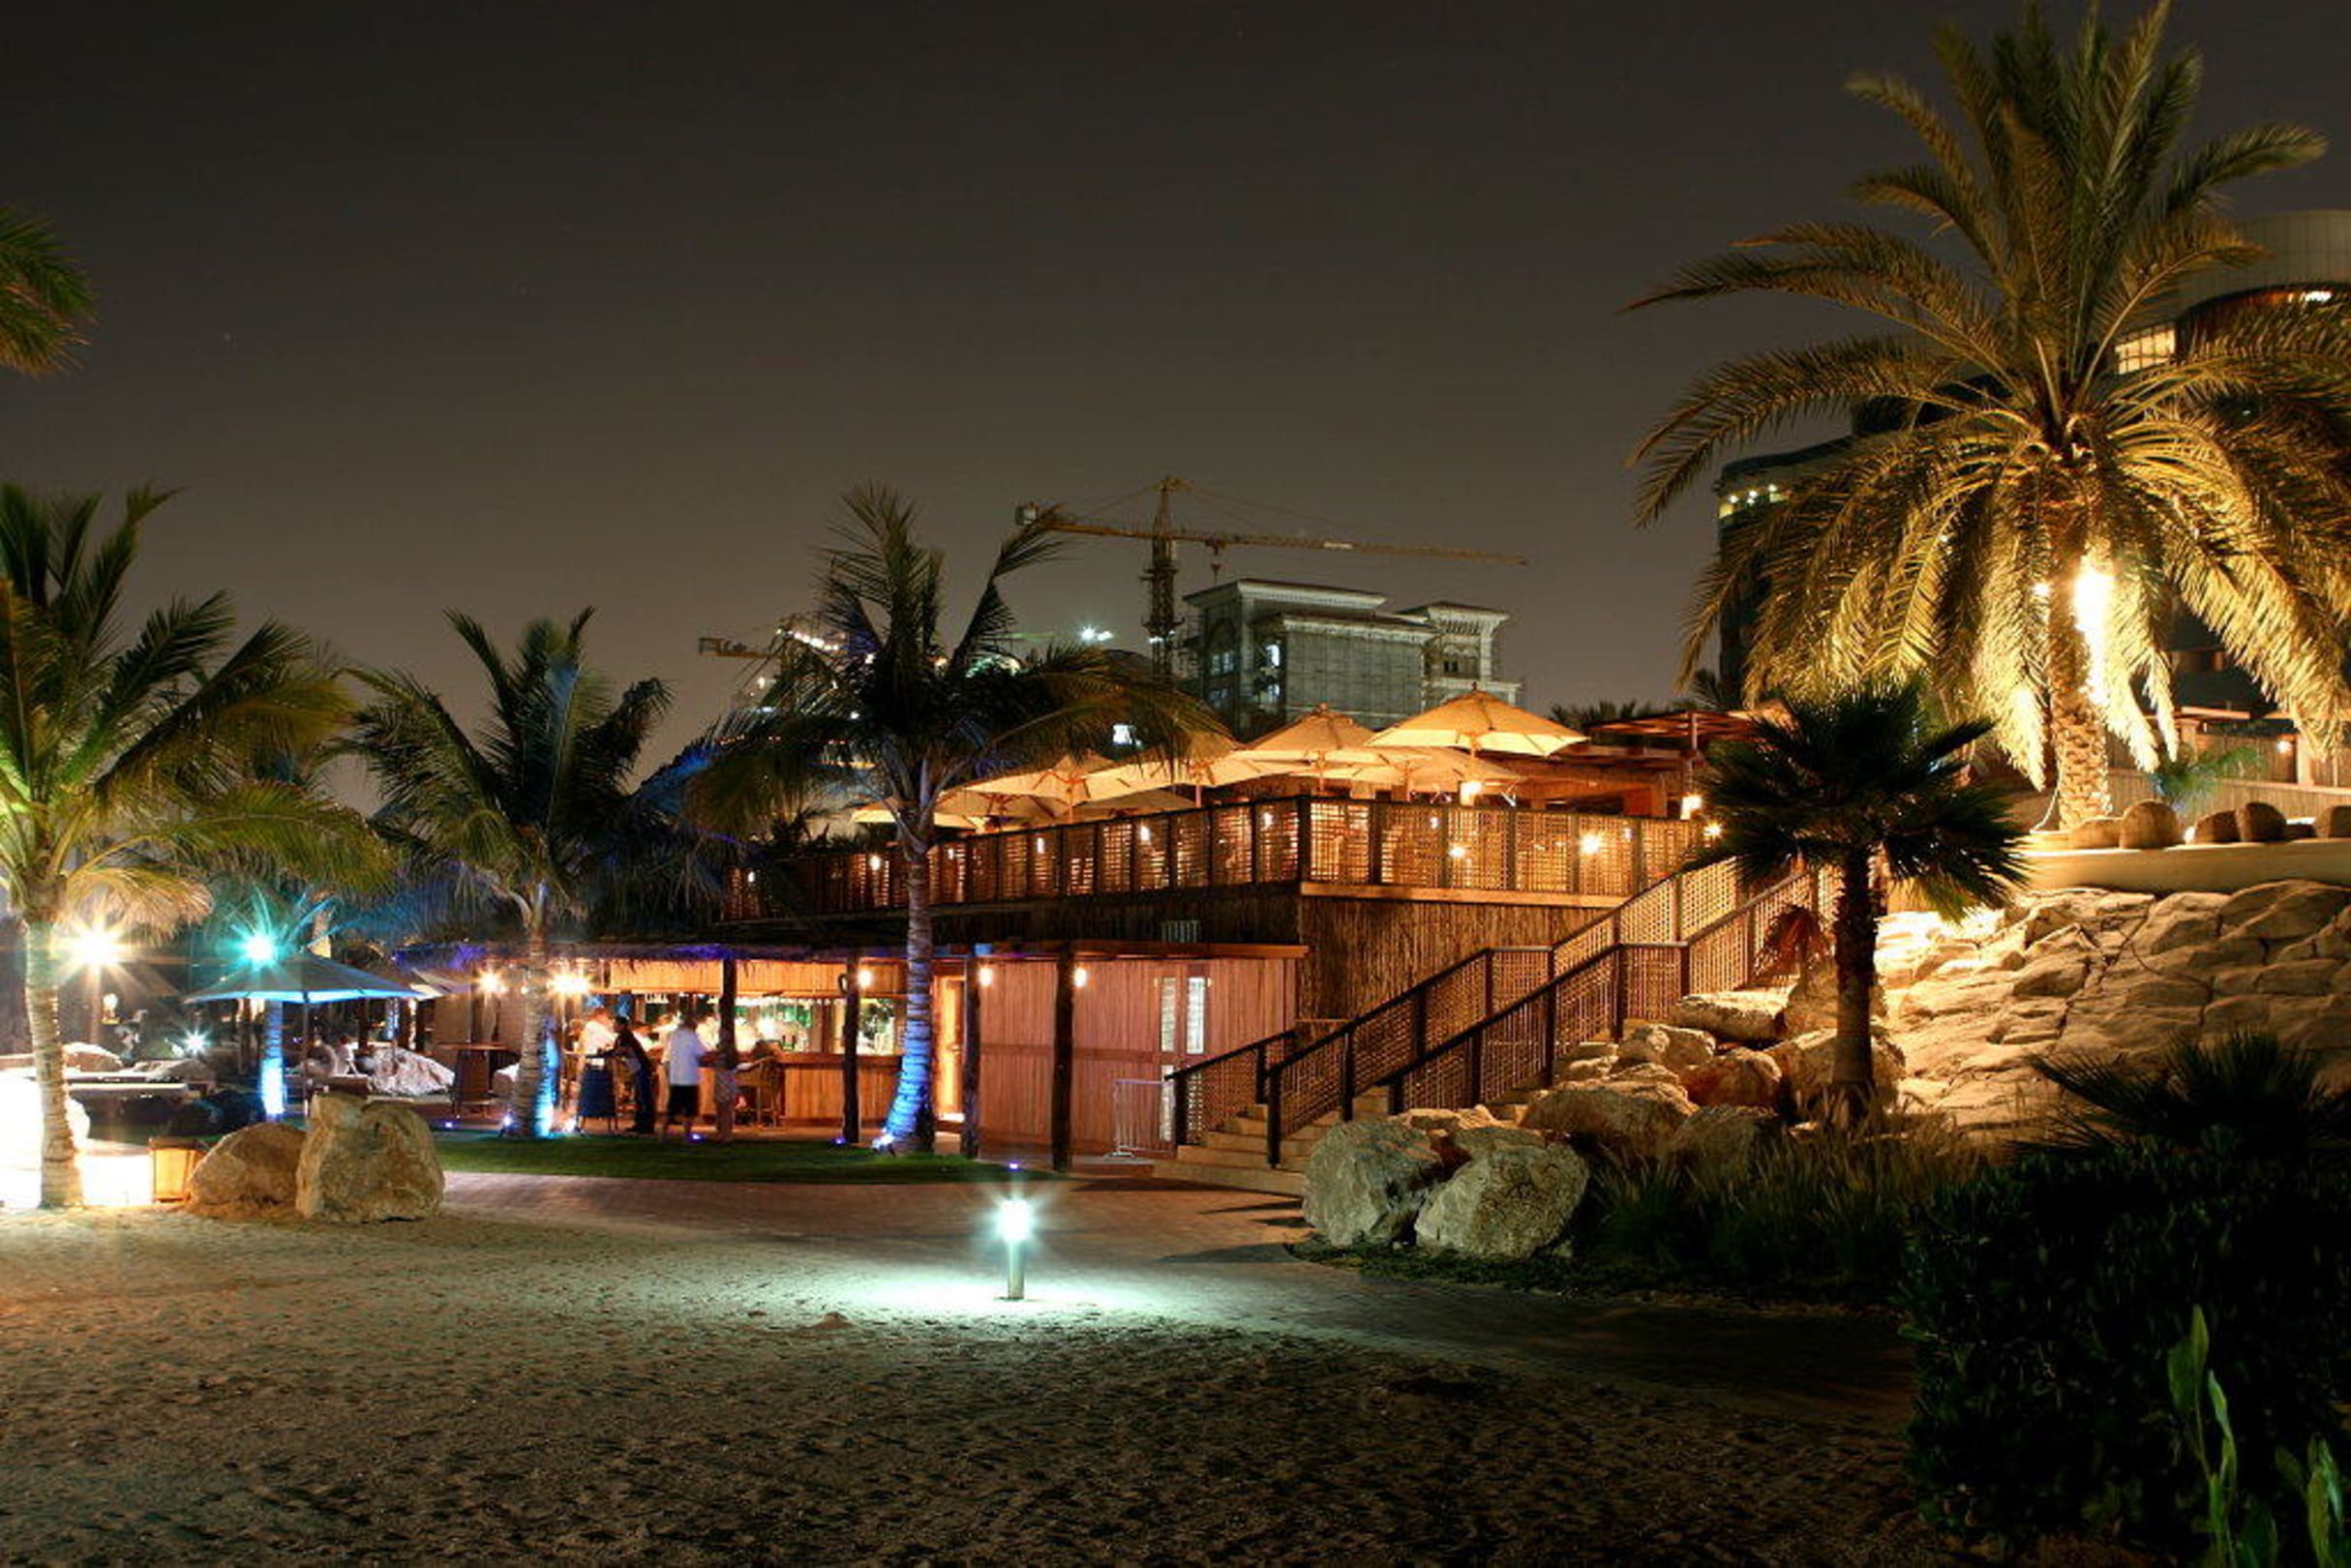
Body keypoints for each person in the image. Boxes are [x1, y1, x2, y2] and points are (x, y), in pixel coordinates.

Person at [659, 1011, 708, 1141]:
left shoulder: (675, 1035)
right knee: (690, 1109)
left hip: (676, 1077)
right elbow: (701, 1053)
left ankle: (663, 1133)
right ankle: (687, 1135)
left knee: (672, 1108)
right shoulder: (692, 1036)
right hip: (689, 1077)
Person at [610, 1020, 656, 1136]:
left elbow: (621, 1050)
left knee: (644, 1098)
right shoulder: (624, 1036)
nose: (614, 1026)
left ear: (622, 1026)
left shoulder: (625, 1036)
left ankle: (647, 1126)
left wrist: (609, 1054)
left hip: (641, 1068)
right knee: (639, 1098)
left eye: (616, 1025)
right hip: (638, 1069)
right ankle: (640, 1124)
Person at [709, 1034, 741, 1143]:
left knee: (722, 1109)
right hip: (730, 1083)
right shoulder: (733, 1054)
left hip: (722, 1083)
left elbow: (711, 1062)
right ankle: (726, 1134)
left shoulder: (721, 1055)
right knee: (727, 1109)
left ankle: (723, 1134)